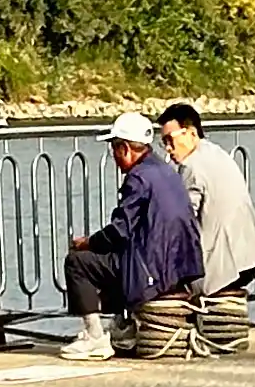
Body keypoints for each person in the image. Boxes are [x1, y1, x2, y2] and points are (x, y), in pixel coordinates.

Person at [62, 111, 202, 360]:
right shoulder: (166, 171)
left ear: (125, 148)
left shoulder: (138, 178)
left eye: (114, 149)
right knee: (115, 258)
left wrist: (88, 242)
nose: (114, 157)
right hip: (182, 266)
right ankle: (124, 327)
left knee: (78, 262)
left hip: (153, 269)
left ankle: (95, 337)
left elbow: (120, 230)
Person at [159, 102, 255, 356]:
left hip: (222, 266)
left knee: (156, 275)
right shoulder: (216, 153)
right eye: (163, 142)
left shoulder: (192, 168)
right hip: (250, 254)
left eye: (170, 140)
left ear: (191, 133)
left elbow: (181, 222)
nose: (167, 149)